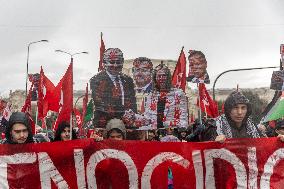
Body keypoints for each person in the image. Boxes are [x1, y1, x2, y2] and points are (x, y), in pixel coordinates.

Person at [90, 48, 137, 128]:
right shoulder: (96, 80)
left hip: (127, 126)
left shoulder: (128, 80)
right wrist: (124, 114)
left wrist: (133, 115)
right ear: (104, 63)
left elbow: (133, 102)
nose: (115, 65)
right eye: (112, 62)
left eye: (118, 62)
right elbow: (101, 105)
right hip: (105, 125)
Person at [143, 63, 189, 129]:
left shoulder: (178, 93)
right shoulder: (151, 95)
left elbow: (183, 116)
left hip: (173, 131)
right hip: (154, 132)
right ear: (155, 78)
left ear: (168, 77)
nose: (161, 78)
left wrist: (181, 130)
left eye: (164, 75)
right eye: (159, 76)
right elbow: (147, 116)